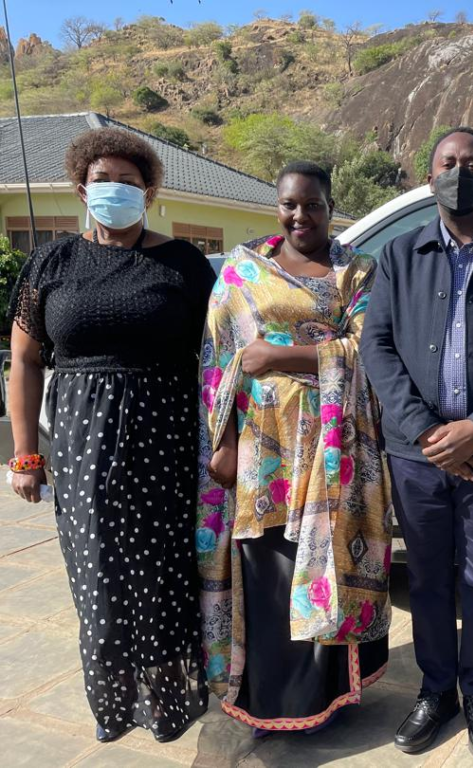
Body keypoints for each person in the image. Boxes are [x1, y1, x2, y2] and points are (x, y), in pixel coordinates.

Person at [7, 127, 214, 743]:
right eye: (104, 180)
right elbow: (25, 361)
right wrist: (25, 454)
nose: (116, 189)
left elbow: (216, 357)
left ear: (148, 191)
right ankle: (115, 705)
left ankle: (170, 703)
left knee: (165, 576)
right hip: (81, 447)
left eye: (129, 181)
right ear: (81, 188)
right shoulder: (51, 263)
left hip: (167, 444)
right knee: (99, 575)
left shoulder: (183, 264)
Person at [360, 127, 473, 761]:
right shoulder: (399, 255)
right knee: (428, 578)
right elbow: (377, 346)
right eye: (447, 162)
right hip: (418, 454)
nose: (459, 173)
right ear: (428, 175)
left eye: (472, 163)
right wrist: (427, 431)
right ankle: (435, 691)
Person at [196, 162, 391, 736]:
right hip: (263, 446)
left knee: (327, 562)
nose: (300, 215)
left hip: (336, 445)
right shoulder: (243, 270)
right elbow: (217, 360)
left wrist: (279, 356)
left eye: (313, 204)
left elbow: (368, 349)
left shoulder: (356, 270)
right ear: (277, 207)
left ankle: (327, 697)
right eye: (289, 204)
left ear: (330, 207)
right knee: (271, 567)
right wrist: (222, 442)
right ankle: (273, 702)